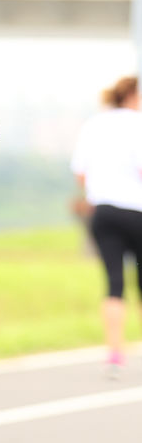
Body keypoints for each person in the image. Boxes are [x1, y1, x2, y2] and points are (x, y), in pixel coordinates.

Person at [71, 75, 142, 374]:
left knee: (114, 282)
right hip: (137, 209)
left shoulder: (94, 124)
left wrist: (94, 192)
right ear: (133, 96)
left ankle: (114, 354)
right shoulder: (138, 124)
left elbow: (80, 172)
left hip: (103, 211)